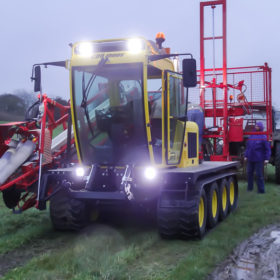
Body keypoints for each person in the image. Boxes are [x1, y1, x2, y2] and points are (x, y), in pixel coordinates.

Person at [244, 121, 271, 193]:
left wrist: (266, 159)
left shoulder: (264, 137)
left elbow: (267, 149)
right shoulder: (251, 135)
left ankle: (261, 190)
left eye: (258, 126)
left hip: (259, 159)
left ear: (261, 127)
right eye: (256, 126)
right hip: (250, 158)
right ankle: (250, 188)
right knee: (249, 173)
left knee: (259, 174)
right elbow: (248, 147)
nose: (256, 127)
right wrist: (246, 156)